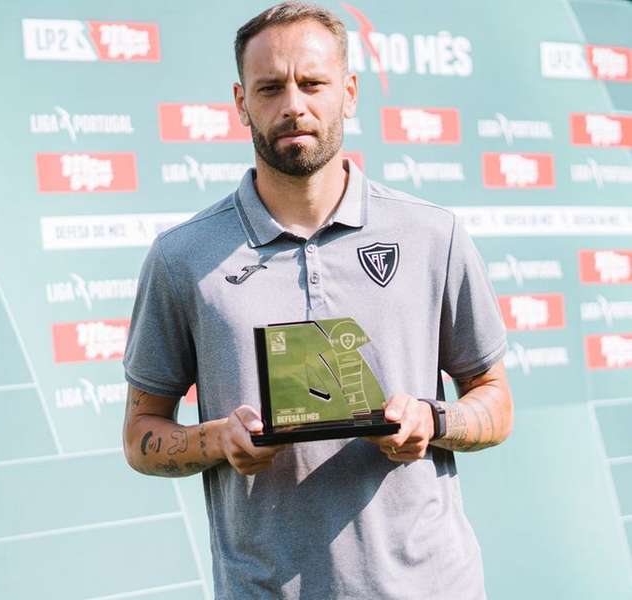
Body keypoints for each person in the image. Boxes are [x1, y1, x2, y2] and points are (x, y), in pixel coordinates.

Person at [121, 2, 513, 598]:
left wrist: (432, 421)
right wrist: (216, 439)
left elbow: (496, 402)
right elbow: (140, 437)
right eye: (270, 88)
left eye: (313, 83)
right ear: (240, 101)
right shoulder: (182, 258)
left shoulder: (433, 235)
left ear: (349, 92)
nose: (293, 106)